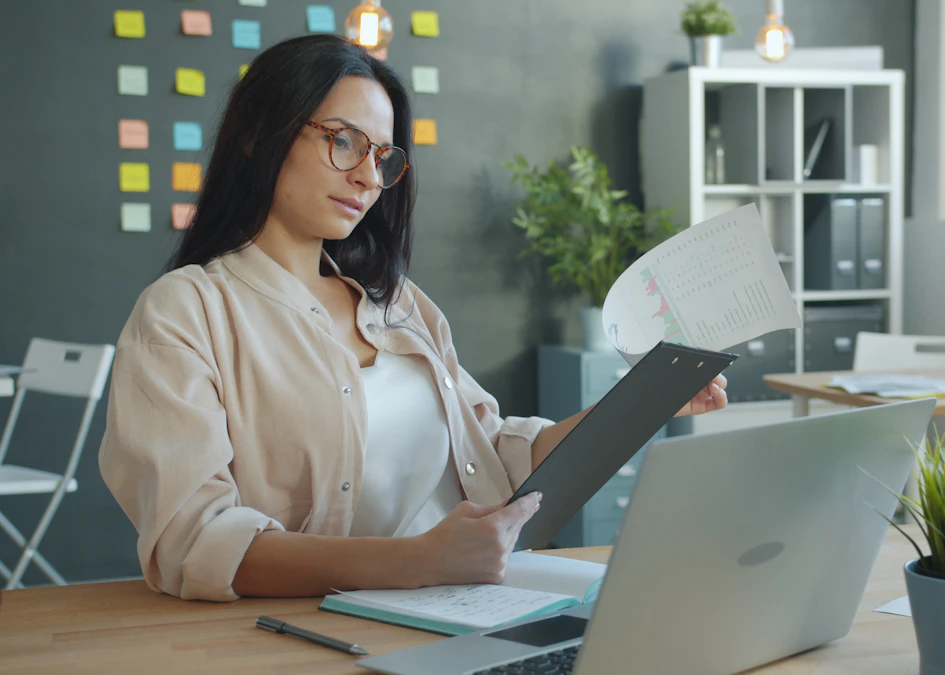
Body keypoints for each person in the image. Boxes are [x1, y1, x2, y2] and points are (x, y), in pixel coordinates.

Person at [97, 35, 727, 603]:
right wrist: (418, 562)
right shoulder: (186, 312)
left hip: (476, 602)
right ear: (259, 134)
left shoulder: (396, 303)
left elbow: (499, 457)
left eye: (382, 156)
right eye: (343, 141)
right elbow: (194, 543)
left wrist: (644, 402)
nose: (369, 178)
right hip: (333, 631)